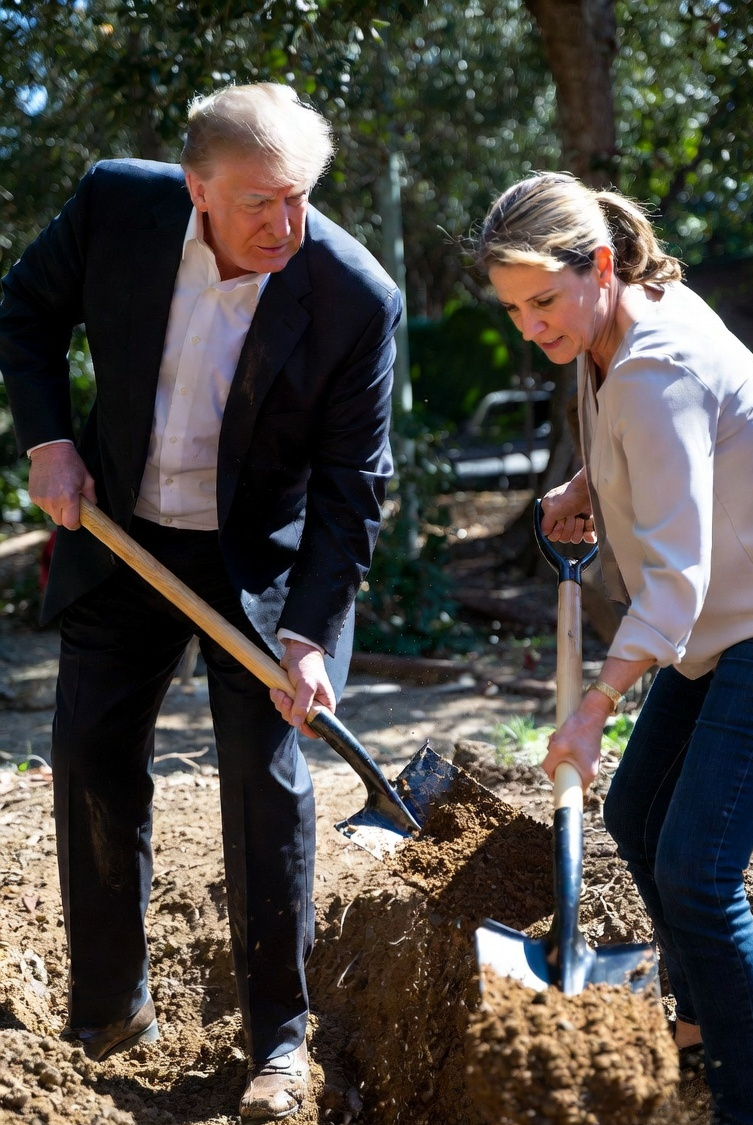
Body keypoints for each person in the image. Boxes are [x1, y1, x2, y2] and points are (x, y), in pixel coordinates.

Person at [0, 83, 401, 1121]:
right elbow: (25, 308)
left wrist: (308, 636)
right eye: (259, 202)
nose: (285, 225)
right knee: (89, 756)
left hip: (260, 565)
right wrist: (49, 441)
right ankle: (109, 1009)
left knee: (264, 783)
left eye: (301, 197)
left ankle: (280, 1044)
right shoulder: (115, 208)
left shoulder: (354, 296)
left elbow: (353, 486)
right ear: (197, 189)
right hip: (122, 529)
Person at [476, 170, 753, 1125]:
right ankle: (694, 1028)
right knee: (637, 812)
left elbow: (676, 584)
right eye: (513, 308)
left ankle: (751, 1108)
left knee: (698, 869)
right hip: (720, 620)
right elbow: (672, 447)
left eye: (543, 301)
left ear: (600, 265)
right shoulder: (608, 326)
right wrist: (588, 485)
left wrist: (593, 708)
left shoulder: (656, 365)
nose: (531, 327)